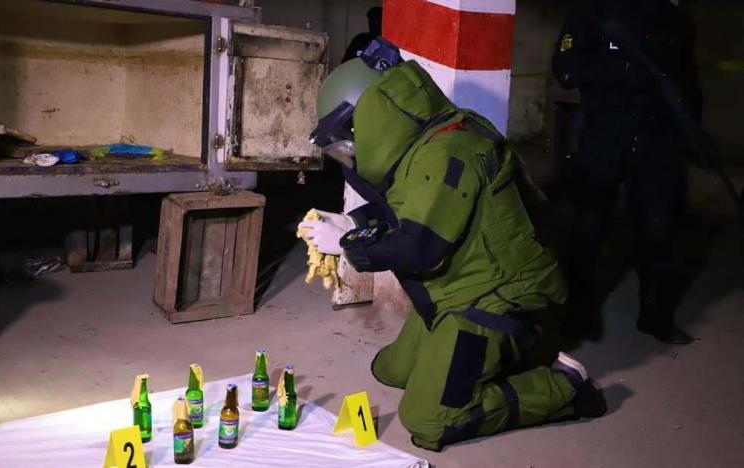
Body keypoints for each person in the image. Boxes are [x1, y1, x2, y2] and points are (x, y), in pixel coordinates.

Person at [299, 39, 606, 452]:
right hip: (463, 286)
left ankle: (565, 387)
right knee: (391, 370)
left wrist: (349, 246)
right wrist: (352, 221)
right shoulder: (424, 142)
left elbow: (420, 247)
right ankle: (487, 361)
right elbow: (408, 209)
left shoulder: (449, 150)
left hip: (502, 299)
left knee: (428, 419)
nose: (348, 154)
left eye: (345, 142)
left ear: (373, 118)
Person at [552, 0, 701, 345]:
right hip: (607, 133)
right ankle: (580, 314)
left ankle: (655, 315)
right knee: (589, 226)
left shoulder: (674, 19)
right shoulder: (593, 11)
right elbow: (566, 69)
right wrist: (626, 73)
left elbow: (686, 80)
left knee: (659, 227)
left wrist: (694, 129)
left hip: (659, 138)